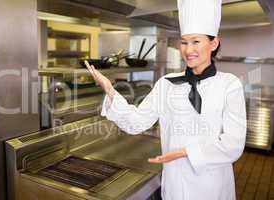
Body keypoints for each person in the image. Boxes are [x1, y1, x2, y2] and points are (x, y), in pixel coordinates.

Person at [85, 0, 246, 199]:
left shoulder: (229, 85)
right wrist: (110, 89)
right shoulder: (166, 83)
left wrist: (184, 153)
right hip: (175, 185)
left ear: (213, 43)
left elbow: (233, 145)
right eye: (184, 42)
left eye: (196, 41)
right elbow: (136, 123)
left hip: (211, 187)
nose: (188, 50)